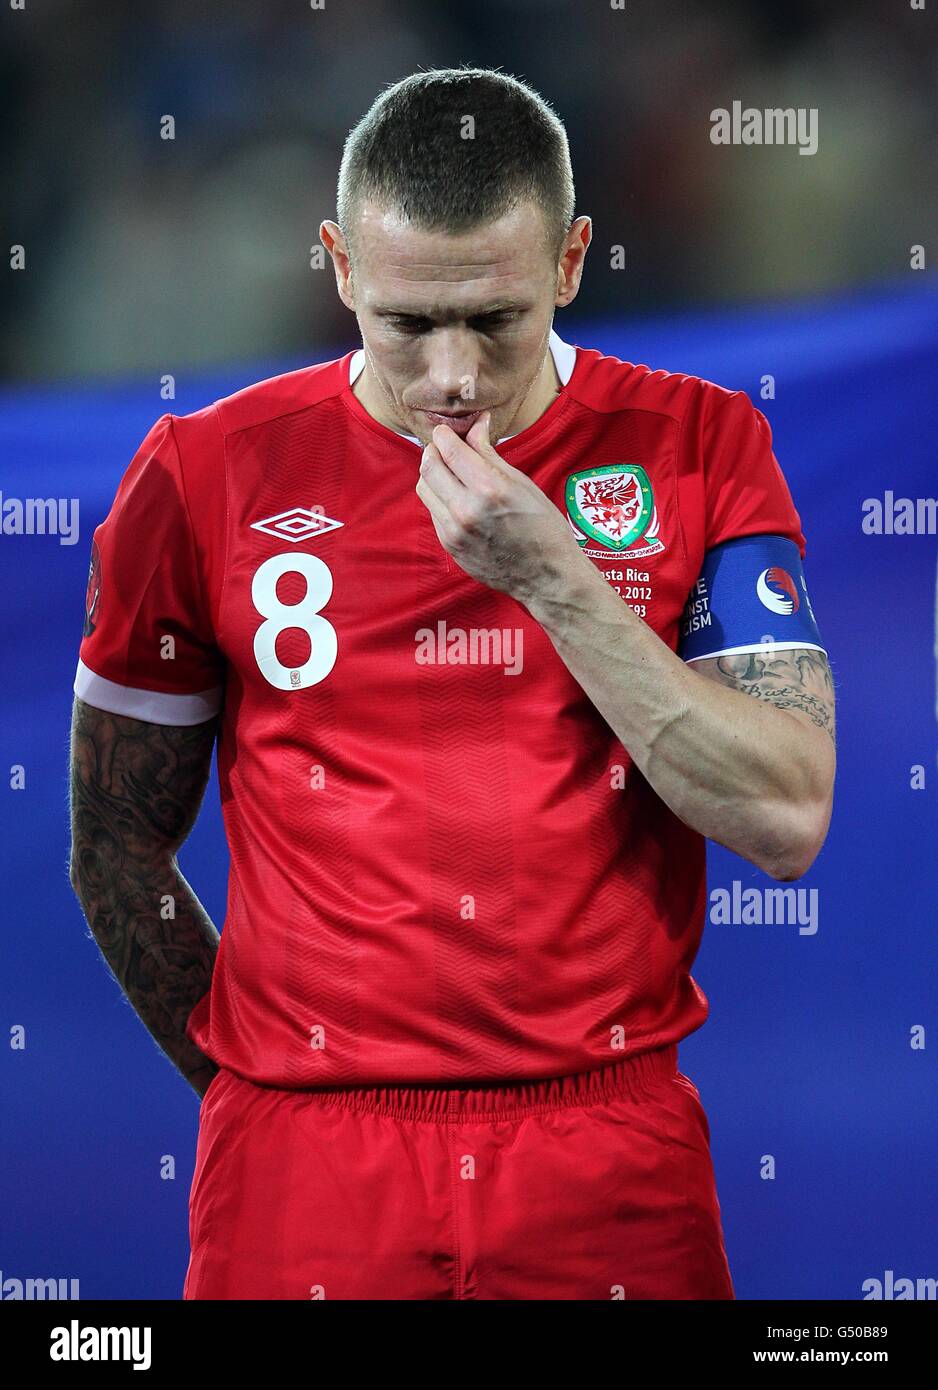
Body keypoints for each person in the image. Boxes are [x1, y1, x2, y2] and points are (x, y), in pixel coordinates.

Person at [68, 66, 836, 1301]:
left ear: (573, 262)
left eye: (493, 321)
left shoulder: (696, 445)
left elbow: (783, 815)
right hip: (305, 1154)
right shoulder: (201, 472)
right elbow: (113, 839)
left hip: (606, 1151)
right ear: (336, 266)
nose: (451, 378)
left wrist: (556, 580)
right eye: (406, 324)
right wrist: (260, 1093)